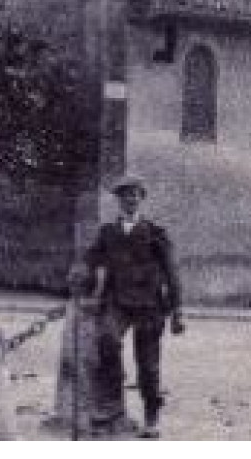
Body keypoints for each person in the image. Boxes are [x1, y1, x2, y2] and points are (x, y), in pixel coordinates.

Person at [84, 174, 184, 438]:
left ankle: (151, 419)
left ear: (141, 199)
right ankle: (112, 407)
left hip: (150, 307)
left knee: (148, 366)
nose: (130, 199)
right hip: (117, 302)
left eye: (135, 195)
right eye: (125, 195)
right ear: (119, 200)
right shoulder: (108, 232)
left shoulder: (154, 233)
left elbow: (172, 272)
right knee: (107, 339)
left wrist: (177, 311)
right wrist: (85, 287)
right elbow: (91, 262)